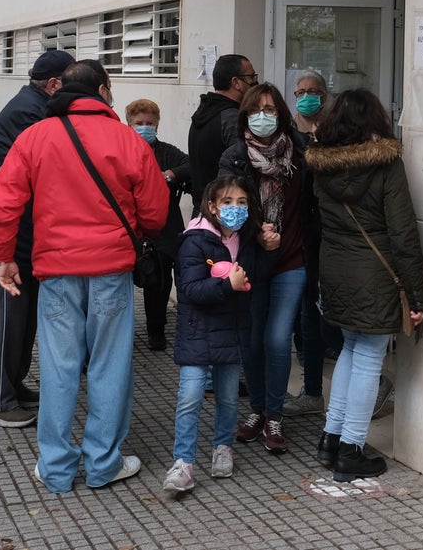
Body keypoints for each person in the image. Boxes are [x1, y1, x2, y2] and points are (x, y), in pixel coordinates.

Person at [0, 60, 167, 493]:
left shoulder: (35, 136)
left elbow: (4, 200)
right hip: (111, 270)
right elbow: (156, 213)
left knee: (58, 366)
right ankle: (103, 463)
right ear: (103, 90)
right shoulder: (127, 140)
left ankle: (55, 467)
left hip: (56, 271)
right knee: (110, 364)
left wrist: (2, 256)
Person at [305, 88, 423, 482]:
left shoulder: (322, 165)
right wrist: (418, 295)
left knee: (350, 350)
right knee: (369, 358)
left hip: (336, 270)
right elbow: (403, 233)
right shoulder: (385, 164)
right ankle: (352, 450)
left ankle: (331, 438)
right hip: (374, 275)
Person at [0, 49, 76, 428]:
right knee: (10, 316)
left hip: (11, 230)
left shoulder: (33, 105)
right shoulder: (32, 114)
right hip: (1, 231)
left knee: (21, 316)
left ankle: (11, 384)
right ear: (54, 85)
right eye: (72, 83)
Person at [220, 82, 318, 455]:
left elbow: (316, 204)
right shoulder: (235, 157)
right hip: (250, 260)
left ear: (281, 113)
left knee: (278, 338)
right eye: (255, 110)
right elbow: (223, 206)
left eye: (270, 110)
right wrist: (255, 232)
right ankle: (257, 410)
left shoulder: (302, 152)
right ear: (245, 116)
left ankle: (274, 414)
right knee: (252, 338)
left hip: (292, 259)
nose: (263, 117)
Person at [162, 175, 262, 496]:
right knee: (190, 398)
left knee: (229, 398)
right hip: (197, 333)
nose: (235, 208)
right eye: (227, 202)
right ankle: (183, 463)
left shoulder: (247, 239)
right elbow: (190, 289)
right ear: (212, 206)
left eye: (242, 202)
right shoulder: (194, 240)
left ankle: (223, 447)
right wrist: (227, 285)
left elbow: (257, 275)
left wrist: (270, 247)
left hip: (232, 331)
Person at [282, 67, 342, 417]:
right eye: (300, 91)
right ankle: (313, 389)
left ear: (324, 95)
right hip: (300, 235)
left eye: (312, 91)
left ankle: (329, 383)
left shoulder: (335, 134)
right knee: (307, 313)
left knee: (322, 314)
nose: (306, 97)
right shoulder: (287, 135)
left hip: (328, 236)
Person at [125, 98, 190, 351]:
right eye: (139, 123)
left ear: (157, 125)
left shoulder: (166, 152)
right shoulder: (123, 150)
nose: (144, 127)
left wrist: (169, 175)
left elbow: (190, 165)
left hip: (163, 228)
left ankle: (156, 329)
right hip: (129, 227)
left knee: (159, 279)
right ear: (129, 124)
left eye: (149, 123)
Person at [187, 53, 258, 214]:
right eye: (251, 76)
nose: (255, 81)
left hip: (205, 208)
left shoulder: (204, 112)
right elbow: (242, 168)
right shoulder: (231, 118)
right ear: (236, 82)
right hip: (224, 213)